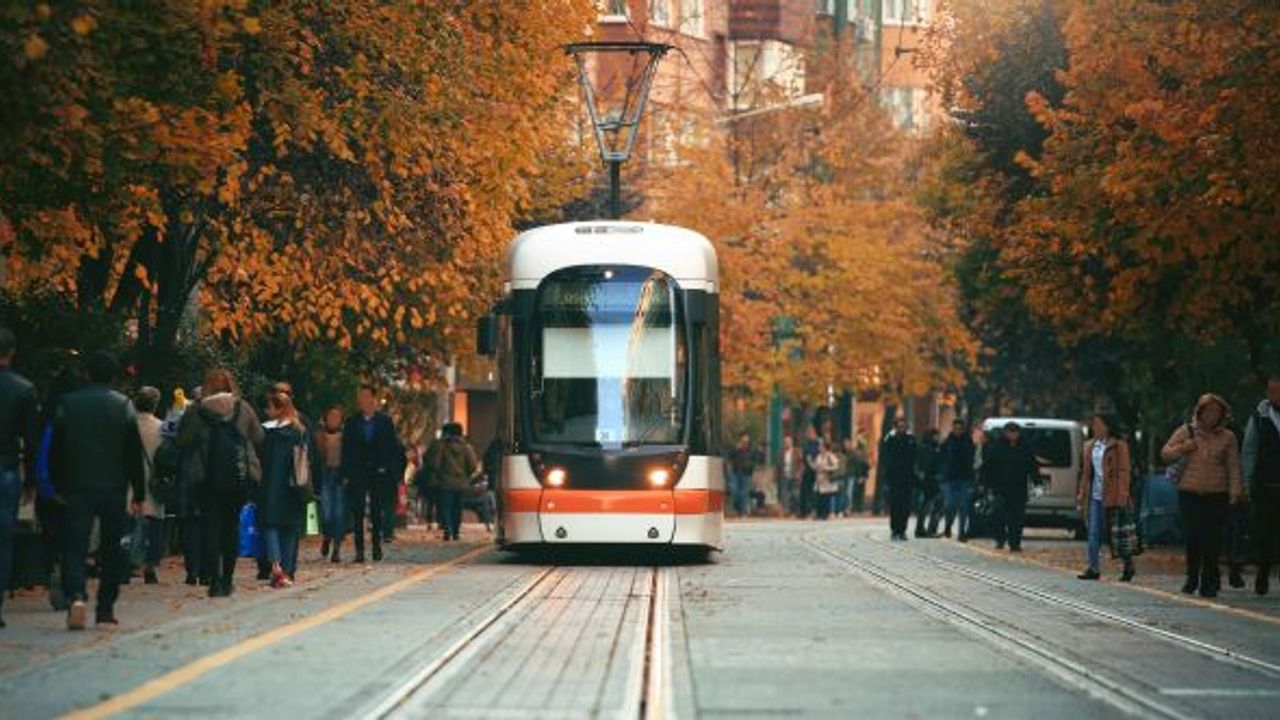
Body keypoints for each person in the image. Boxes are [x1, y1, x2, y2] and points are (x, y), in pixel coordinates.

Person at [50, 352, 145, 629]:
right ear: (113, 376)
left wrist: (56, 484)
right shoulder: (124, 406)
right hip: (113, 487)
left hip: (77, 485)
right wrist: (138, 492)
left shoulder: (68, 404)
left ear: (86, 374)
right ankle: (105, 608)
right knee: (112, 547)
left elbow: (56, 449)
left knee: (75, 545)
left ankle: (77, 595)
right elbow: (133, 454)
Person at [178, 369, 263, 598]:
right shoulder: (242, 408)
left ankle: (213, 580)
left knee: (210, 528)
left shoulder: (197, 411)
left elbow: (182, 440)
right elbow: (259, 437)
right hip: (237, 476)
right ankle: (228, 579)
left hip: (206, 478)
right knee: (231, 527)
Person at [1161, 393, 1243, 598]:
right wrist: (1184, 447)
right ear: (1200, 412)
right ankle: (1191, 577)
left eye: (1216, 413)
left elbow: (1233, 466)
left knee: (1212, 539)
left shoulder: (1228, 437)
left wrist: (1235, 491)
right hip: (1190, 493)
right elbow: (1165, 453)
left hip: (1217, 493)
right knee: (1193, 537)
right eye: (1208, 412)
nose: (1211, 416)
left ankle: (1209, 581)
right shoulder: (1187, 431)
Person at [0, 328, 39, 628]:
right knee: (4, 537)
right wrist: (31, 481)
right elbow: (31, 439)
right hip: (6, 466)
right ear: (12, 353)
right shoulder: (23, 389)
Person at [340, 385, 399, 563]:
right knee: (358, 511)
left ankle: (376, 545)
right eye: (360, 397)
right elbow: (347, 449)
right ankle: (359, 550)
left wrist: (388, 469)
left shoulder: (384, 422)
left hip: (378, 471)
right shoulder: (351, 422)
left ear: (373, 399)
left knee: (376, 510)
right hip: (357, 471)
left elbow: (391, 448)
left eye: (366, 396)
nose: (363, 401)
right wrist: (346, 472)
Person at [1076, 413, 1136, 582]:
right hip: (1095, 495)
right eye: (1093, 424)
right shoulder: (1089, 446)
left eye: (1098, 424)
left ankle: (1128, 564)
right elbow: (1086, 474)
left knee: (1117, 534)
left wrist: (1122, 495)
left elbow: (1124, 472)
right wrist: (1081, 494)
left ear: (1108, 426)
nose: (1095, 427)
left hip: (1113, 495)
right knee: (1093, 532)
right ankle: (1093, 567)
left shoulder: (1119, 445)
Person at [258, 386, 309, 588]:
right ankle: (287, 571)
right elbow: (305, 459)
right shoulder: (299, 431)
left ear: (277, 409)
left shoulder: (266, 431)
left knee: (270, 526)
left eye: (270, 407)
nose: (267, 411)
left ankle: (276, 565)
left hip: (270, 485)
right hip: (293, 486)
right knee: (289, 529)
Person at [1241, 375, 1280, 596]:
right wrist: (1247, 482)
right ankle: (1263, 573)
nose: (1275, 396)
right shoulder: (1260, 417)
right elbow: (1249, 450)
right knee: (1265, 533)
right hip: (1266, 485)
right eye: (1272, 391)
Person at [981, 421, 1039, 552]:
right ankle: (1000, 538)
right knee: (997, 514)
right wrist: (983, 484)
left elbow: (1033, 466)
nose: (1013, 435)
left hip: (1019, 488)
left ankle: (1015, 542)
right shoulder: (996, 447)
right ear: (1005, 433)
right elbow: (987, 467)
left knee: (1017, 517)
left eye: (1015, 433)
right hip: (1000, 488)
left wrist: (1037, 482)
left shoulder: (1025, 447)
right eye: (1010, 433)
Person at [423, 423, 478, 541]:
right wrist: (465, 474)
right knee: (457, 508)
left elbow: (435, 464)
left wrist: (439, 474)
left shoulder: (442, 446)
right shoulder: (466, 447)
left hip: (445, 482)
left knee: (446, 507)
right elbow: (473, 465)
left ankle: (447, 530)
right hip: (461, 483)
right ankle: (456, 532)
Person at [134, 387, 165, 585]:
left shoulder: (127, 424)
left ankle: (127, 562)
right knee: (155, 524)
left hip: (132, 480)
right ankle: (150, 567)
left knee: (130, 523)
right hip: (155, 481)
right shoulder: (162, 427)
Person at [314, 406, 345, 562]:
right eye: (331, 416)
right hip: (325, 475)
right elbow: (316, 456)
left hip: (339, 477)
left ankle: (336, 549)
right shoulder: (320, 435)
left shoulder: (346, 435)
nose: (334, 419)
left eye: (337, 416)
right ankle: (327, 536)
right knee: (327, 514)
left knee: (338, 514)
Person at [880, 417, 917, 541]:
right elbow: (885, 459)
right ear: (896, 428)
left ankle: (902, 530)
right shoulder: (890, 440)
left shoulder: (911, 440)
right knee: (895, 506)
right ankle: (895, 530)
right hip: (894, 479)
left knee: (905, 506)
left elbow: (915, 458)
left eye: (904, 426)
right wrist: (886, 478)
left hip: (907, 478)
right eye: (900, 426)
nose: (902, 428)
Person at [939, 419, 976, 541]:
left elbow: (972, 459)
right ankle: (948, 525)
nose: (958, 431)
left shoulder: (968, 441)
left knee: (964, 506)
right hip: (950, 479)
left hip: (965, 478)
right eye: (956, 428)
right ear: (953, 428)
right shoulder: (947, 442)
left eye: (960, 428)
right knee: (950, 505)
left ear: (963, 429)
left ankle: (962, 533)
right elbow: (942, 459)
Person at [914, 428, 942, 538]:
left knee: (927, 505)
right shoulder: (930, 449)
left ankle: (922, 529)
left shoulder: (926, 447)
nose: (938, 438)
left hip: (928, 480)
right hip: (931, 480)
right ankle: (929, 529)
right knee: (932, 504)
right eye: (937, 436)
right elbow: (928, 464)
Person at [810, 438, 841, 520]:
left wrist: (826, 468)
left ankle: (826, 514)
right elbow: (816, 466)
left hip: (827, 480)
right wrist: (814, 466)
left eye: (821, 446)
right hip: (819, 480)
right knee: (819, 497)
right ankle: (819, 514)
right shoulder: (818, 456)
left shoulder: (830, 456)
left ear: (825, 447)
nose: (819, 448)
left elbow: (836, 466)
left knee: (826, 497)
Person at [727, 433, 755, 518]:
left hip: (746, 474)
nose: (744, 443)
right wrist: (735, 449)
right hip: (736, 473)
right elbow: (729, 457)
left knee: (744, 493)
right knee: (734, 491)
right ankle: (733, 510)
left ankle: (743, 512)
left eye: (746, 442)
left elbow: (755, 461)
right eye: (743, 441)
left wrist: (750, 467)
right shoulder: (736, 450)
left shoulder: (751, 451)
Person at [780, 435, 802, 516]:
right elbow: (779, 465)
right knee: (784, 494)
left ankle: (795, 511)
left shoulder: (797, 451)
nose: (786, 444)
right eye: (785, 442)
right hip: (785, 475)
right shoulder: (782, 452)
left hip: (794, 476)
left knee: (795, 494)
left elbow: (801, 464)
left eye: (788, 442)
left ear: (791, 442)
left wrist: (799, 474)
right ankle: (787, 511)